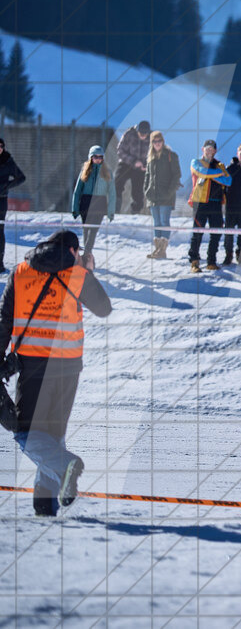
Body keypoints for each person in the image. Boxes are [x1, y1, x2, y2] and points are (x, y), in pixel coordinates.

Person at [0, 230, 112, 516]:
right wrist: (87, 272)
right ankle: (52, 490)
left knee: (28, 432)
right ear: (73, 251)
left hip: (31, 364)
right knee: (47, 434)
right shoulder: (75, 273)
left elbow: (4, 321)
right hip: (68, 364)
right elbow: (103, 308)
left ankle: (54, 485)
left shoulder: (21, 271)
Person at [187, 140, 231, 273]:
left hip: (216, 203)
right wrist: (217, 174)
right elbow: (201, 172)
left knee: (216, 233)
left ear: (215, 151)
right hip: (200, 202)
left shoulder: (220, 165)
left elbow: (228, 180)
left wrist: (212, 175)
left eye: (212, 149)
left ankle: (211, 261)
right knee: (198, 232)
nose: (209, 151)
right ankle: (194, 261)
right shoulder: (196, 162)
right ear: (203, 149)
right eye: (207, 149)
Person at [71, 145, 117, 265]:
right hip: (86, 202)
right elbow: (77, 191)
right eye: (95, 156)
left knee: (93, 230)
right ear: (90, 157)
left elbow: (112, 193)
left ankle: (86, 253)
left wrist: (111, 211)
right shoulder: (85, 171)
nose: (98, 159)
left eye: (100, 157)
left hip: (100, 203)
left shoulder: (107, 172)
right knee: (86, 230)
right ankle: (87, 256)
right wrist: (75, 208)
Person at [142, 131, 180, 260]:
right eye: (154, 141)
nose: (157, 144)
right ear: (151, 143)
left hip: (166, 197)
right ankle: (157, 249)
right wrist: (146, 190)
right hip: (152, 197)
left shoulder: (171, 156)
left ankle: (162, 250)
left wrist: (169, 192)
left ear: (163, 142)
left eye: (159, 141)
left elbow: (176, 175)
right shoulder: (150, 158)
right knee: (156, 222)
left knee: (164, 222)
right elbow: (147, 176)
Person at [0, 137, 27, 272]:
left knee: (0, 231)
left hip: (1, 199)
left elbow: (21, 177)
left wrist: (6, 186)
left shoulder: (8, 161)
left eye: (0, 146)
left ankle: (0, 263)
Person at [114, 120, 151, 213]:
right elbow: (120, 151)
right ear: (137, 131)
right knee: (116, 184)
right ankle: (114, 210)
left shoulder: (152, 138)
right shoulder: (129, 134)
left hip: (141, 167)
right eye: (141, 133)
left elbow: (154, 155)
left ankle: (135, 212)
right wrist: (134, 161)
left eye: (145, 134)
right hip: (126, 164)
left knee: (138, 192)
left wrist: (146, 165)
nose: (143, 136)